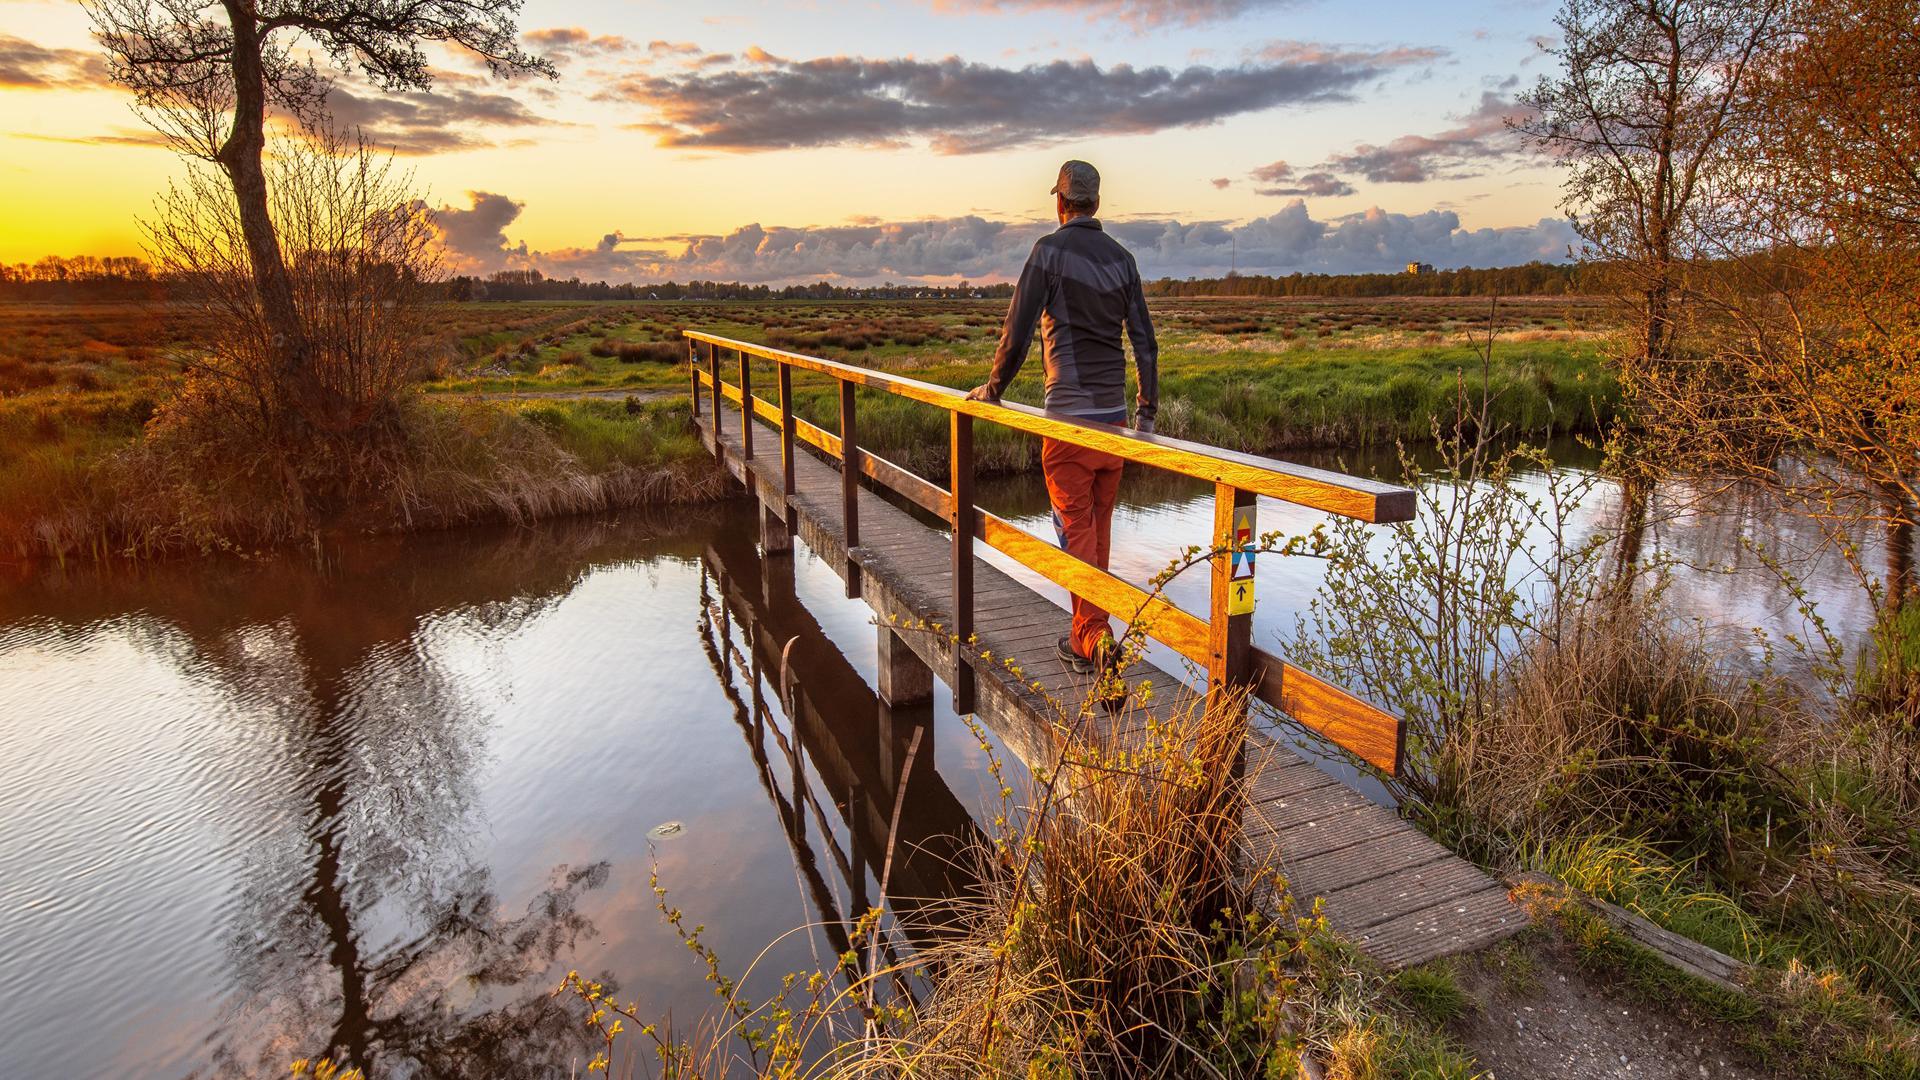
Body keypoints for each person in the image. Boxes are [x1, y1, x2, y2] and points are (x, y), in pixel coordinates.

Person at [966, 160, 1159, 674]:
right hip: (1115, 426)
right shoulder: (1123, 259)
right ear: (1096, 204)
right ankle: (1088, 636)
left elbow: (1017, 332)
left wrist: (993, 388)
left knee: (1075, 534)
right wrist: (1146, 416)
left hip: (1069, 424)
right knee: (1096, 532)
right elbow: (1145, 342)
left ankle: (1094, 639)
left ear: (1060, 203)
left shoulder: (1048, 252)